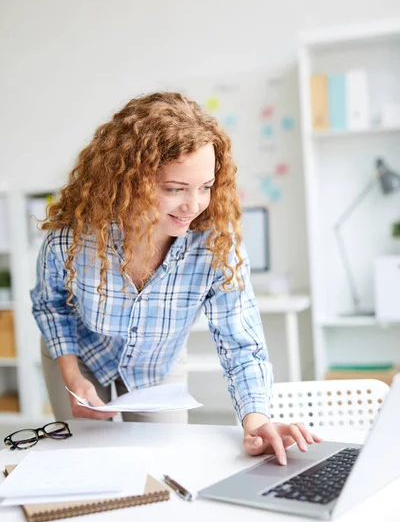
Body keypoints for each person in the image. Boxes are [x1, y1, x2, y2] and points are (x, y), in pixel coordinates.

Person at [31, 91, 321, 464]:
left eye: (205, 187)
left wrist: (257, 419)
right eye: (175, 189)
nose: (194, 205)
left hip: (157, 367)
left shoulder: (217, 244)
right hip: (82, 357)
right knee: (86, 461)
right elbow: (51, 305)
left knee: (164, 463)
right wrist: (72, 376)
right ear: (127, 181)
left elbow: (241, 342)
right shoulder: (72, 239)